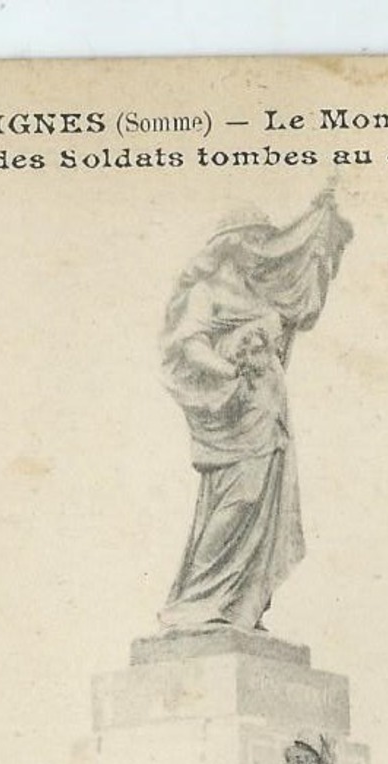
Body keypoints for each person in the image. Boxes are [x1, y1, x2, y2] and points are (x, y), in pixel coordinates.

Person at [158, 188, 352, 634]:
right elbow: (189, 343)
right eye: (252, 240)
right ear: (231, 243)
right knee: (238, 498)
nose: (260, 249)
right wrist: (227, 369)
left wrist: (317, 225)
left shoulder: (263, 294)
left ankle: (238, 603)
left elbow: (303, 303)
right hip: (234, 410)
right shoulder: (207, 291)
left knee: (264, 508)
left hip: (269, 409)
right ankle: (199, 600)